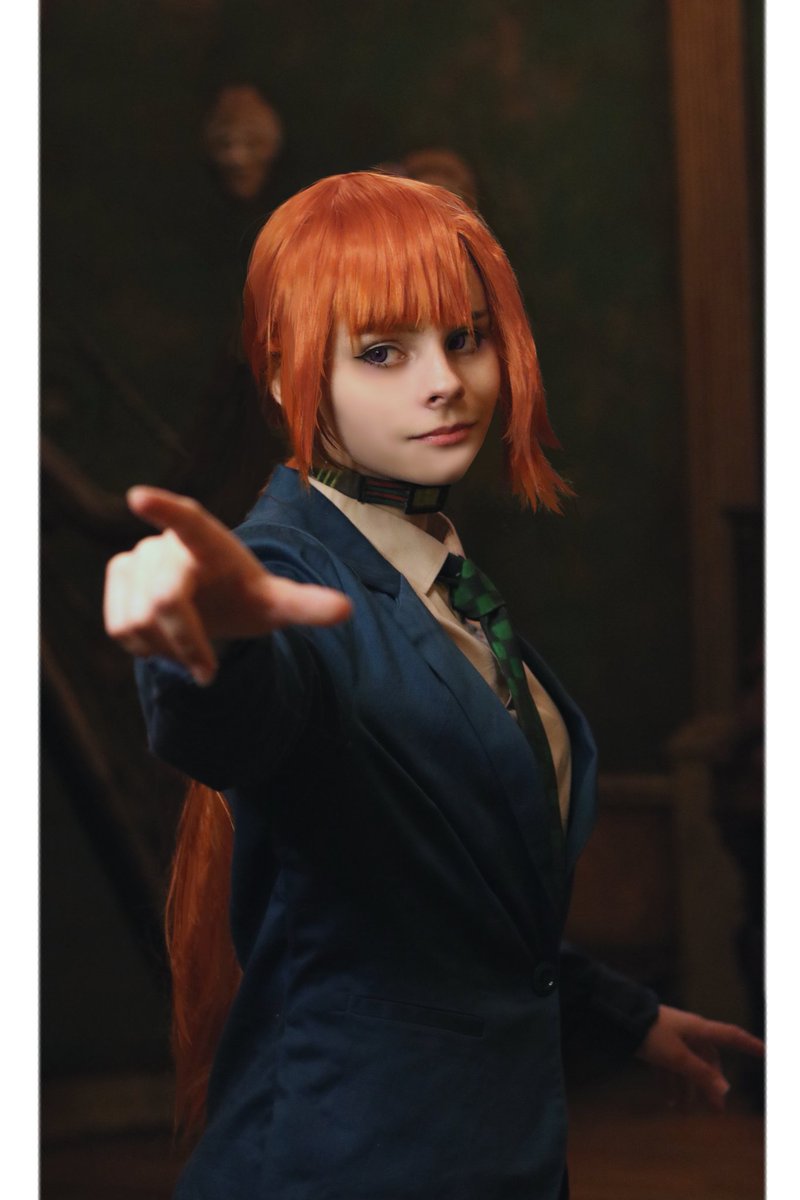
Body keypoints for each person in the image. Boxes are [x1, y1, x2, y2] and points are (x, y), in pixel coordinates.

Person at [104, 172, 763, 1200]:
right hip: (343, 1168)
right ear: (283, 372)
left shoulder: (437, 571)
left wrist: (617, 1015)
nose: (444, 381)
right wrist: (203, 643)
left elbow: (441, 899)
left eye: (465, 339)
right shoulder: (283, 575)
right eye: (382, 351)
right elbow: (235, 722)